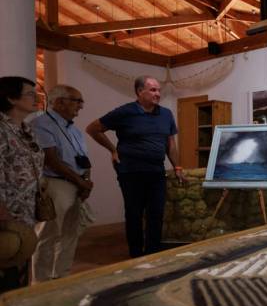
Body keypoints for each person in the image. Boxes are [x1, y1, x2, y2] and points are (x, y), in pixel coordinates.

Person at [86, 76, 185, 258]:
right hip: (131, 172)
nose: (158, 94)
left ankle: (153, 254)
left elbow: (170, 144)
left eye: (158, 90)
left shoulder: (166, 114)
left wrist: (177, 166)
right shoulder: (125, 112)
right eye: (153, 90)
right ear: (140, 92)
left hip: (156, 171)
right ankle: (136, 255)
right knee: (134, 214)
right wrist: (112, 149)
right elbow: (92, 129)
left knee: (156, 213)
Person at [31, 85, 94, 281]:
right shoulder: (40, 123)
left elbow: (82, 159)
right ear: (59, 102)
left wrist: (86, 181)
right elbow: (52, 160)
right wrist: (80, 182)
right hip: (55, 184)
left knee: (69, 235)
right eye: (77, 101)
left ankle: (61, 277)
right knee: (48, 236)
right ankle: (41, 284)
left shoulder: (74, 130)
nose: (81, 106)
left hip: (76, 185)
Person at [0, 76, 44, 288]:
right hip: (6, 211)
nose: (35, 98)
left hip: (26, 210)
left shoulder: (25, 130)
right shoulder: (1, 129)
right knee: (6, 263)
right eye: (29, 94)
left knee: (21, 261)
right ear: (11, 98)